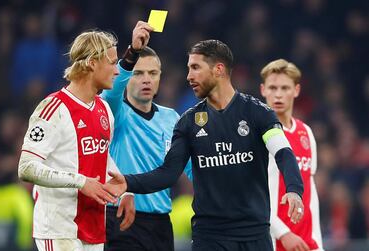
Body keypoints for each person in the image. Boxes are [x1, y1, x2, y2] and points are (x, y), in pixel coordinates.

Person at [105, 39, 305, 251]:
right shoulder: (188, 123)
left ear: (219, 69)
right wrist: (128, 182)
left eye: (195, 68)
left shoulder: (258, 113)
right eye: (189, 68)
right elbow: (169, 173)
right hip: (210, 236)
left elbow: (283, 152)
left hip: (254, 234)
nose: (189, 76)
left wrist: (294, 189)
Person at [17, 21, 153, 251]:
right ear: (92, 63)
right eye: (111, 63)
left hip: (93, 227)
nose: (117, 70)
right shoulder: (53, 108)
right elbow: (26, 168)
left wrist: (126, 190)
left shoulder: (104, 110)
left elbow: (102, 155)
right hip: (59, 229)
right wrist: (81, 182)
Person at [101, 46, 192, 251]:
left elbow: (189, 168)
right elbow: (112, 92)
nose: (146, 79)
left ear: (160, 78)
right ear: (126, 78)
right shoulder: (115, 112)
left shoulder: (172, 118)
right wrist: (131, 54)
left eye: (152, 73)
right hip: (121, 220)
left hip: (160, 224)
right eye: (138, 73)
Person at [260, 59, 324, 251]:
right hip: (272, 241)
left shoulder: (306, 132)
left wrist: (318, 243)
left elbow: (310, 192)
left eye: (285, 88)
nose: (278, 94)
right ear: (263, 90)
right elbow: (252, 195)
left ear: (296, 90)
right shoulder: (257, 135)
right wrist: (283, 233)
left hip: (306, 243)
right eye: (272, 87)